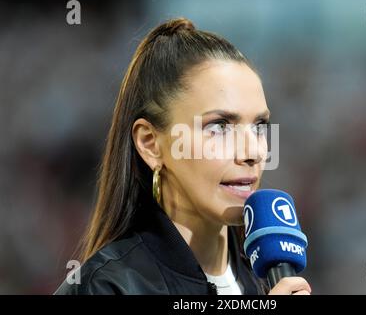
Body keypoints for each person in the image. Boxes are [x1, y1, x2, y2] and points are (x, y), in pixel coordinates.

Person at [54, 17, 311, 295]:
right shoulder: (104, 287)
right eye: (220, 127)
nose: (252, 152)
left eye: (259, 126)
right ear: (150, 143)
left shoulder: (266, 281)